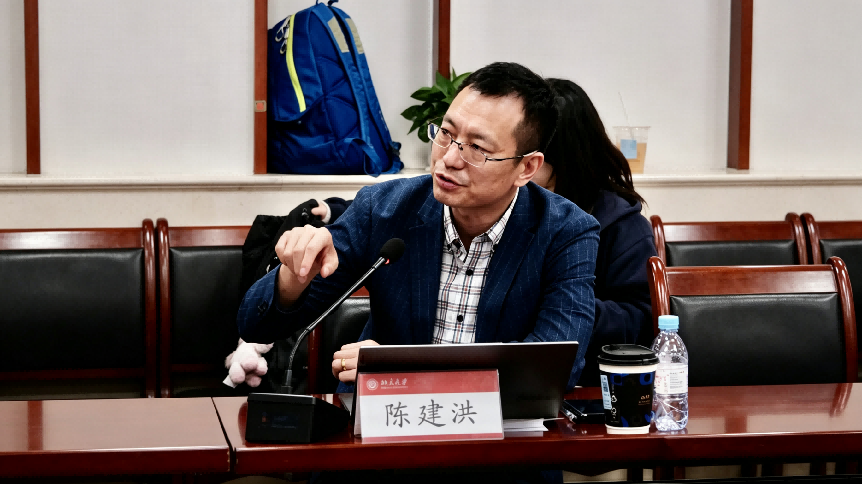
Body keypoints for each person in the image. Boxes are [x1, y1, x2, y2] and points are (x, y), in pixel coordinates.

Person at [237, 62, 600, 395]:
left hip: (501, 436)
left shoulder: (566, 232)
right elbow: (256, 325)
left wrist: (402, 372)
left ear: (526, 167)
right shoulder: (384, 209)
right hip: (385, 428)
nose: (449, 159)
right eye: (446, 133)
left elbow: (554, 368)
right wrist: (293, 275)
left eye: (477, 148)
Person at [534, 78, 656, 387]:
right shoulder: (517, 209)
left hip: (592, 384)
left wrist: (564, 305)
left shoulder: (622, 225)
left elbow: (640, 321)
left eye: (530, 155)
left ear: (562, 157)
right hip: (519, 375)